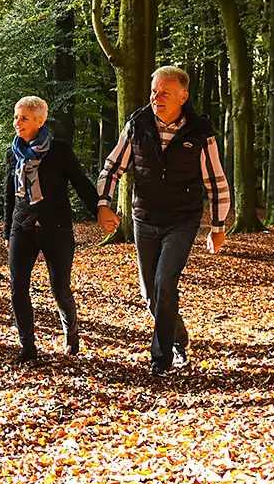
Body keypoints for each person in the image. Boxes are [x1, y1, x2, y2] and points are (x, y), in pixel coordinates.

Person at [95, 66, 232, 376]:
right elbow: (113, 166)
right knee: (152, 295)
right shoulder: (138, 124)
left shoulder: (199, 131)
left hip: (182, 220)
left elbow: (216, 180)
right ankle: (179, 340)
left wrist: (218, 225)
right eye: (154, 91)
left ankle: (161, 360)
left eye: (164, 93)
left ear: (183, 97)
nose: (156, 97)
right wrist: (104, 203)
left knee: (164, 283)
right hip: (144, 218)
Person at [2, 96, 100, 364]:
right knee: (17, 287)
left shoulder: (59, 151)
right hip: (22, 228)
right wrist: (7, 230)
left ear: (40, 120)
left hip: (57, 229)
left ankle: (71, 332)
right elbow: (9, 194)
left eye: (24, 118)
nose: (17, 123)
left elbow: (81, 182)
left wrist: (100, 211)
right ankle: (28, 346)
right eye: (16, 117)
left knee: (60, 289)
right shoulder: (13, 153)